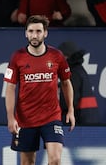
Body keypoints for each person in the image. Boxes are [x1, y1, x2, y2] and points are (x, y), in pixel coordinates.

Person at [4, 15, 75, 164]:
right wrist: (11, 117)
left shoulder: (57, 56)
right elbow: (10, 88)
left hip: (51, 117)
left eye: (38, 31)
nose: (34, 35)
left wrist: (70, 109)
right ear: (25, 33)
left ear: (45, 33)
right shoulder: (17, 57)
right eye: (30, 31)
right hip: (25, 119)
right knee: (27, 162)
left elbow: (66, 83)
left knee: (55, 159)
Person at [58, 41, 100, 125]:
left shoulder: (73, 74)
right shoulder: (80, 70)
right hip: (89, 120)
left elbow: (69, 102)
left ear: (66, 57)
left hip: (80, 123)